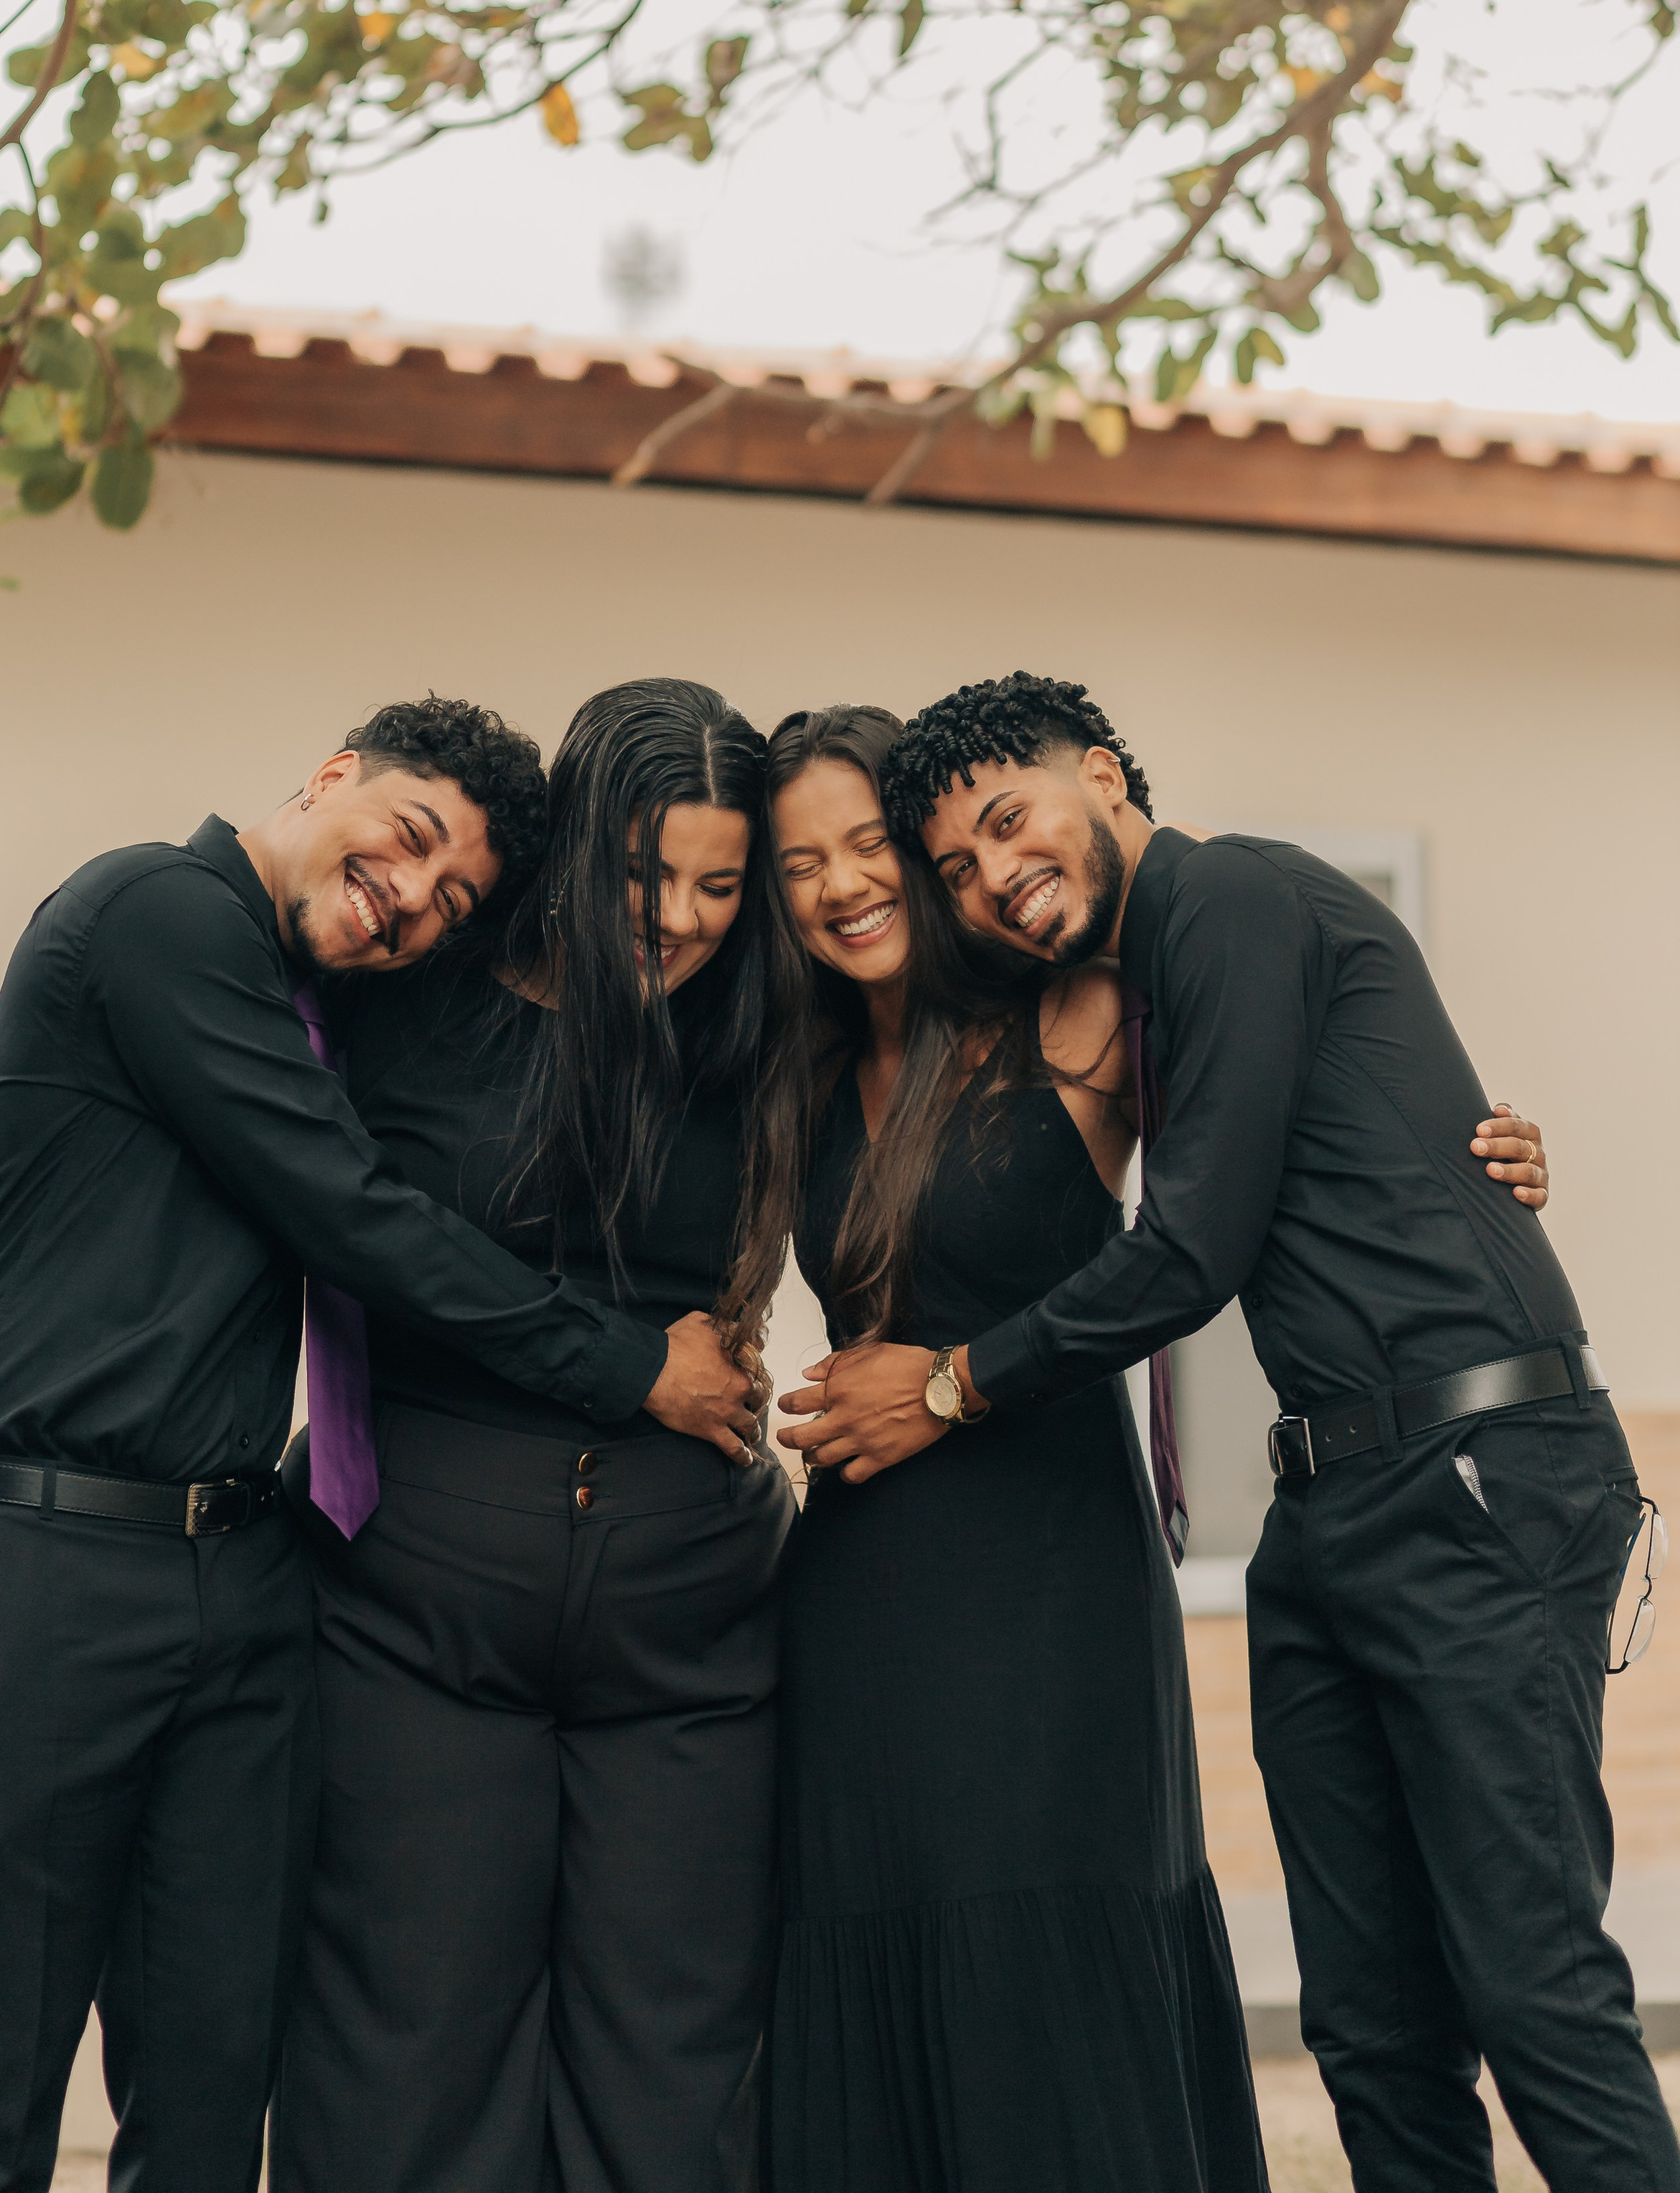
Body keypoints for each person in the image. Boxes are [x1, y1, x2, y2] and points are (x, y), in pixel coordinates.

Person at [796, 669, 1671, 2193]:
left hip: (1468, 1475)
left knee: (1528, 1978)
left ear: (1103, 774)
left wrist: (944, 1383)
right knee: (1369, 2022)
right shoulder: (1145, 995)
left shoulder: (1232, 900)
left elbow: (1189, 1245)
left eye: (1009, 820)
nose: (996, 874)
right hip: (1328, 1500)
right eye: (959, 865)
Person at [0, 695, 754, 2193]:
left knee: (215, 2078)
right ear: (332, 775)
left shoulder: (327, 1000)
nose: (411, 897)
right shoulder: (155, 914)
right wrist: (629, 1368)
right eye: (409, 840)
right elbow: (354, 1212)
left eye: (454, 897)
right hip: (34, 1553)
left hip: (238, 1572)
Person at [271, 680, 799, 2193]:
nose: (680, 917)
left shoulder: (763, 1026)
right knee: (409, 2036)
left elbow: (1007, 1031)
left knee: (679, 2049)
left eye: (717, 883)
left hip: (693, 1625)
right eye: (646, 876)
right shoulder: (407, 998)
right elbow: (359, 1235)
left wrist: (1407, 1116)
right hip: (413, 1613)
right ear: (575, 849)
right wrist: (631, 1365)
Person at [762, 704, 1269, 2193]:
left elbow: (1261, 1152)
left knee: (1044, 1960)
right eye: (796, 862)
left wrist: (1485, 1142)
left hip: (1051, 1584)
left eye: (868, 844)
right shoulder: (789, 1071)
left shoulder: (1084, 1009)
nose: (839, 883)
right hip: (854, 1590)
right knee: (868, 1950)